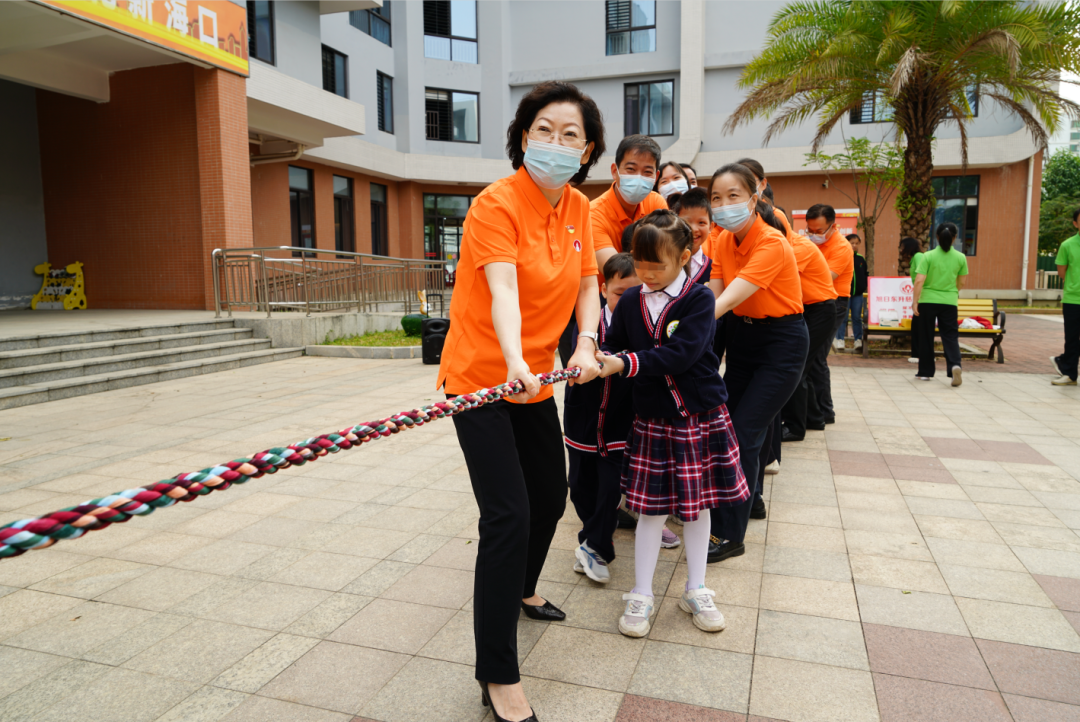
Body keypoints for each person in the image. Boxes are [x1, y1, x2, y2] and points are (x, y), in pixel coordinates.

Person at [436, 80, 605, 722]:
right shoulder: (495, 204)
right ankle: (497, 675)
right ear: (523, 137)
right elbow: (503, 290)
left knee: (551, 495)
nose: (555, 143)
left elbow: (587, 284)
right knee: (507, 515)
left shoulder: (580, 208)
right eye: (544, 130)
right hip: (484, 379)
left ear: (586, 151)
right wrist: (513, 363)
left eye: (570, 135)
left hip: (534, 378)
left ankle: (525, 589)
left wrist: (584, 343)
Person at [595, 210, 748, 637]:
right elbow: (614, 343)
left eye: (656, 266)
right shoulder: (630, 300)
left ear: (683, 257)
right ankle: (641, 593)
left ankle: (696, 588)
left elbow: (681, 355)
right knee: (651, 511)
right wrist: (600, 358)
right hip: (653, 420)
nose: (646, 274)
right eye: (639, 264)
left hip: (701, 416)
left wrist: (624, 364)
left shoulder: (699, 299)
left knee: (698, 509)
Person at [706, 164, 808, 562]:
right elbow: (714, 292)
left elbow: (730, 297)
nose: (724, 205)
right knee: (733, 428)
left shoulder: (772, 242)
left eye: (733, 196)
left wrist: (682, 323)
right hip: (745, 340)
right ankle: (752, 500)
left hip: (782, 344)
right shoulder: (722, 240)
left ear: (754, 197)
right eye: (716, 198)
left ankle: (730, 534)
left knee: (744, 431)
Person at [564, 253, 641, 583]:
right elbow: (581, 355)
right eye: (620, 293)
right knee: (580, 488)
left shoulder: (640, 324)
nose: (628, 300)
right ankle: (590, 541)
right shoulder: (587, 324)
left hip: (619, 425)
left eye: (635, 293)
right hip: (582, 421)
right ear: (603, 288)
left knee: (611, 489)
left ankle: (597, 546)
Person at [590, 135, 668, 285]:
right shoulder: (593, 214)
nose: (638, 177)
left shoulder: (656, 202)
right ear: (615, 171)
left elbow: (671, 251)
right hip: (611, 296)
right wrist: (662, 268)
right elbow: (617, 272)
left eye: (647, 172)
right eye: (631, 169)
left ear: (656, 176)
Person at [806, 204, 853, 425]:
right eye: (810, 230)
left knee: (817, 356)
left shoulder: (842, 246)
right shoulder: (809, 243)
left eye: (819, 231)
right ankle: (814, 409)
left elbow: (826, 277)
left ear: (833, 226)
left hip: (834, 303)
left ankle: (825, 411)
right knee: (811, 356)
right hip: (812, 302)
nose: (814, 235)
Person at [912, 222, 968, 386]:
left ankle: (925, 372)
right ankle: (955, 365)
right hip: (949, 302)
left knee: (926, 336)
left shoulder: (928, 256)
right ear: (955, 238)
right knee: (950, 336)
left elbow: (919, 280)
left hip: (927, 301)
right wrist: (951, 292)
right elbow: (962, 282)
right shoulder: (961, 257)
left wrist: (915, 301)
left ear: (936, 236)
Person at [1051, 209, 1080, 386]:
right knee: (1072, 338)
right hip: (1073, 299)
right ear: (1075, 224)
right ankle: (1069, 374)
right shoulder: (1067, 245)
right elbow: (1062, 272)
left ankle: (1062, 360)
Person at [672, 188, 713, 285]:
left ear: (710, 227)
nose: (694, 229)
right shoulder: (661, 260)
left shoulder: (713, 268)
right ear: (674, 221)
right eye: (686, 222)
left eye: (701, 222)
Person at [843, 233, 868, 350]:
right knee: (843, 318)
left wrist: (863, 286)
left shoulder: (861, 259)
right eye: (852, 243)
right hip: (844, 294)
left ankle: (858, 340)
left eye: (856, 243)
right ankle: (839, 339)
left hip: (858, 295)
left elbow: (865, 274)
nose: (854, 245)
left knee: (857, 318)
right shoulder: (841, 257)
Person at [901, 237, 924, 364]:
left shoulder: (918, 257)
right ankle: (918, 354)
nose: (901, 250)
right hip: (921, 296)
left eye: (903, 247)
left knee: (919, 327)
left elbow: (921, 278)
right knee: (917, 326)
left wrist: (916, 300)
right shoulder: (915, 258)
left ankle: (919, 355)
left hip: (923, 297)